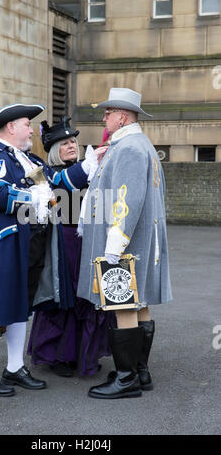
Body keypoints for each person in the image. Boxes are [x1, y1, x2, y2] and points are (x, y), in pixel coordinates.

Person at [0, 103, 93, 397]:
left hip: (31, 243)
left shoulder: (28, 160)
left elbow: (58, 183)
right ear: (11, 128)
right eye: (26, 125)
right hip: (2, 243)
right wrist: (30, 196)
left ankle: (15, 367)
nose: (32, 130)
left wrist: (88, 166)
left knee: (21, 304)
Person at [77, 88, 173, 399]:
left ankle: (126, 378)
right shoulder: (135, 143)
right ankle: (139, 371)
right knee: (139, 301)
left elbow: (127, 201)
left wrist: (113, 247)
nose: (103, 117)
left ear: (123, 116)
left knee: (123, 302)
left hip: (125, 240)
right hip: (138, 240)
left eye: (108, 112)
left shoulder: (129, 147)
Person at [27, 117, 116, 377]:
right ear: (54, 148)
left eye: (74, 141)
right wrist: (90, 166)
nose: (71, 146)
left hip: (89, 240)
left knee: (87, 296)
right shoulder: (44, 171)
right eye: (65, 143)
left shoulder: (87, 168)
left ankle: (85, 353)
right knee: (62, 297)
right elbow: (62, 184)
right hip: (61, 242)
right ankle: (60, 356)